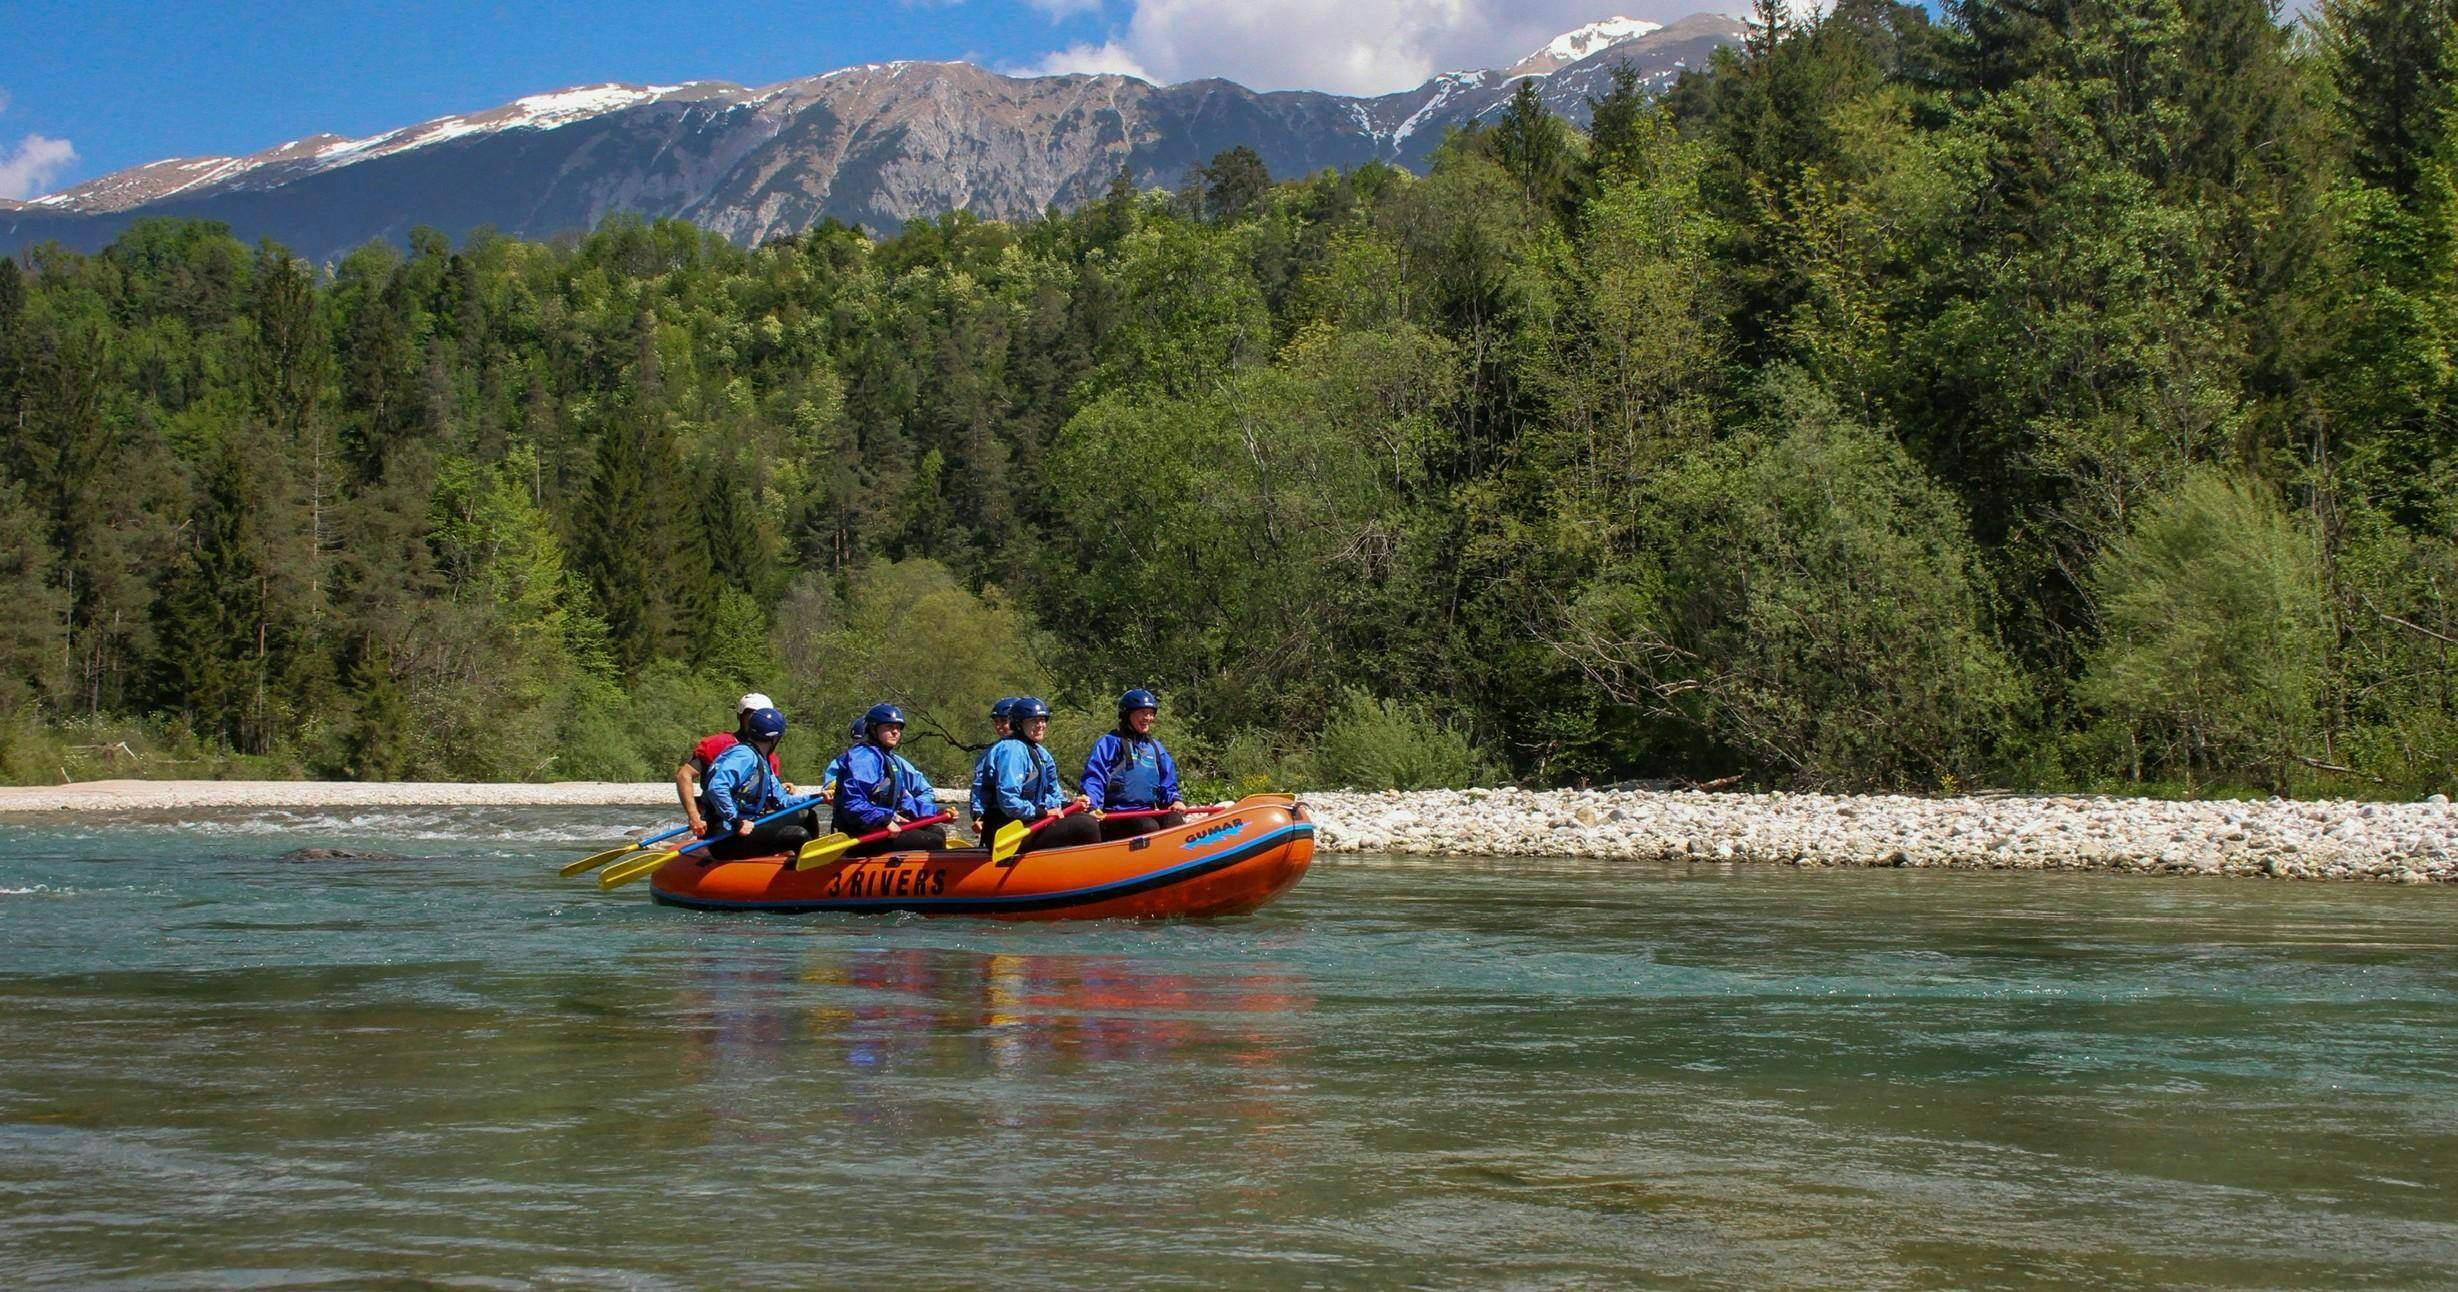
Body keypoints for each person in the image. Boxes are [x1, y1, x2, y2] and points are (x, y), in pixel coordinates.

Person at [980, 696, 1099, 854]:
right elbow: (1009, 801)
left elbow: (1046, 796)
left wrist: (1070, 805)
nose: (1041, 725)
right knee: (1085, 825)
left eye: (1043, 720)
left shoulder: (1041, 753)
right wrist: (1042, 813)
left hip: (1027, 821)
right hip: (1005, 827)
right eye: (1034, 721)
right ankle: (1091, 870)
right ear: (1019, 724)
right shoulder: (1012, 750)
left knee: (1084, 818)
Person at [700, 707, 820, 860]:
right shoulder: (744, 756)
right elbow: (717, 787)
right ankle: (810, 872)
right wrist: (735, 820)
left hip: (747, 826)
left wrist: (818, 797)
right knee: (797, 835)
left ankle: (814, 859)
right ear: (775, 738)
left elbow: (782, 801)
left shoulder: (760, 759)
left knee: (806, 814)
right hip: (727, 835)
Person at [830, 702, 950, 856]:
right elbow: (853, 804)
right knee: (933, 841)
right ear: (873, 729)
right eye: (889, 727)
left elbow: (904, 802)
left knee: (936, 831)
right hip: (860, 831)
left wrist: (937, 812)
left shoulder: (888, 760)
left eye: (898, 728)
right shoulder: (863, 759)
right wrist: (885, 820)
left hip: (878, 825)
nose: (895, 732)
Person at [676, 691, 794, 837]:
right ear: (740, 716)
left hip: (748, 820)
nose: (755, 719)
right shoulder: (719, 744)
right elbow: (684, 775)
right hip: (720, 819)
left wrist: (783, 789)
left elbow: (765, 796)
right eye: (750, 714)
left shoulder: (769, 756)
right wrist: (694, 816)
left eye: (760, 714)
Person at [1083, 688, 1187, 840]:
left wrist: (1175, 800)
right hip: (1116, 814)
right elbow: (1094, 778)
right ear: (1127, 714)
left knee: (1174, 820)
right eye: (1143, 712)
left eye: (1151, 713)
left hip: (1147, 811)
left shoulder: (1155, 747)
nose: (1148, 718)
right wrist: (1093, 807)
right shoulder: (1110, 742)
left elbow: (1167, 782)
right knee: (1147, 826)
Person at [969, 697, 1019, 837]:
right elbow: (980, 786)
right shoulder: (990, 753)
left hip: (1032, 814)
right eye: (996, 722)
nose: (998, 727)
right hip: (1001, 816)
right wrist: (978, 815)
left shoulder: (1037, 752)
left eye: (1003, 721)